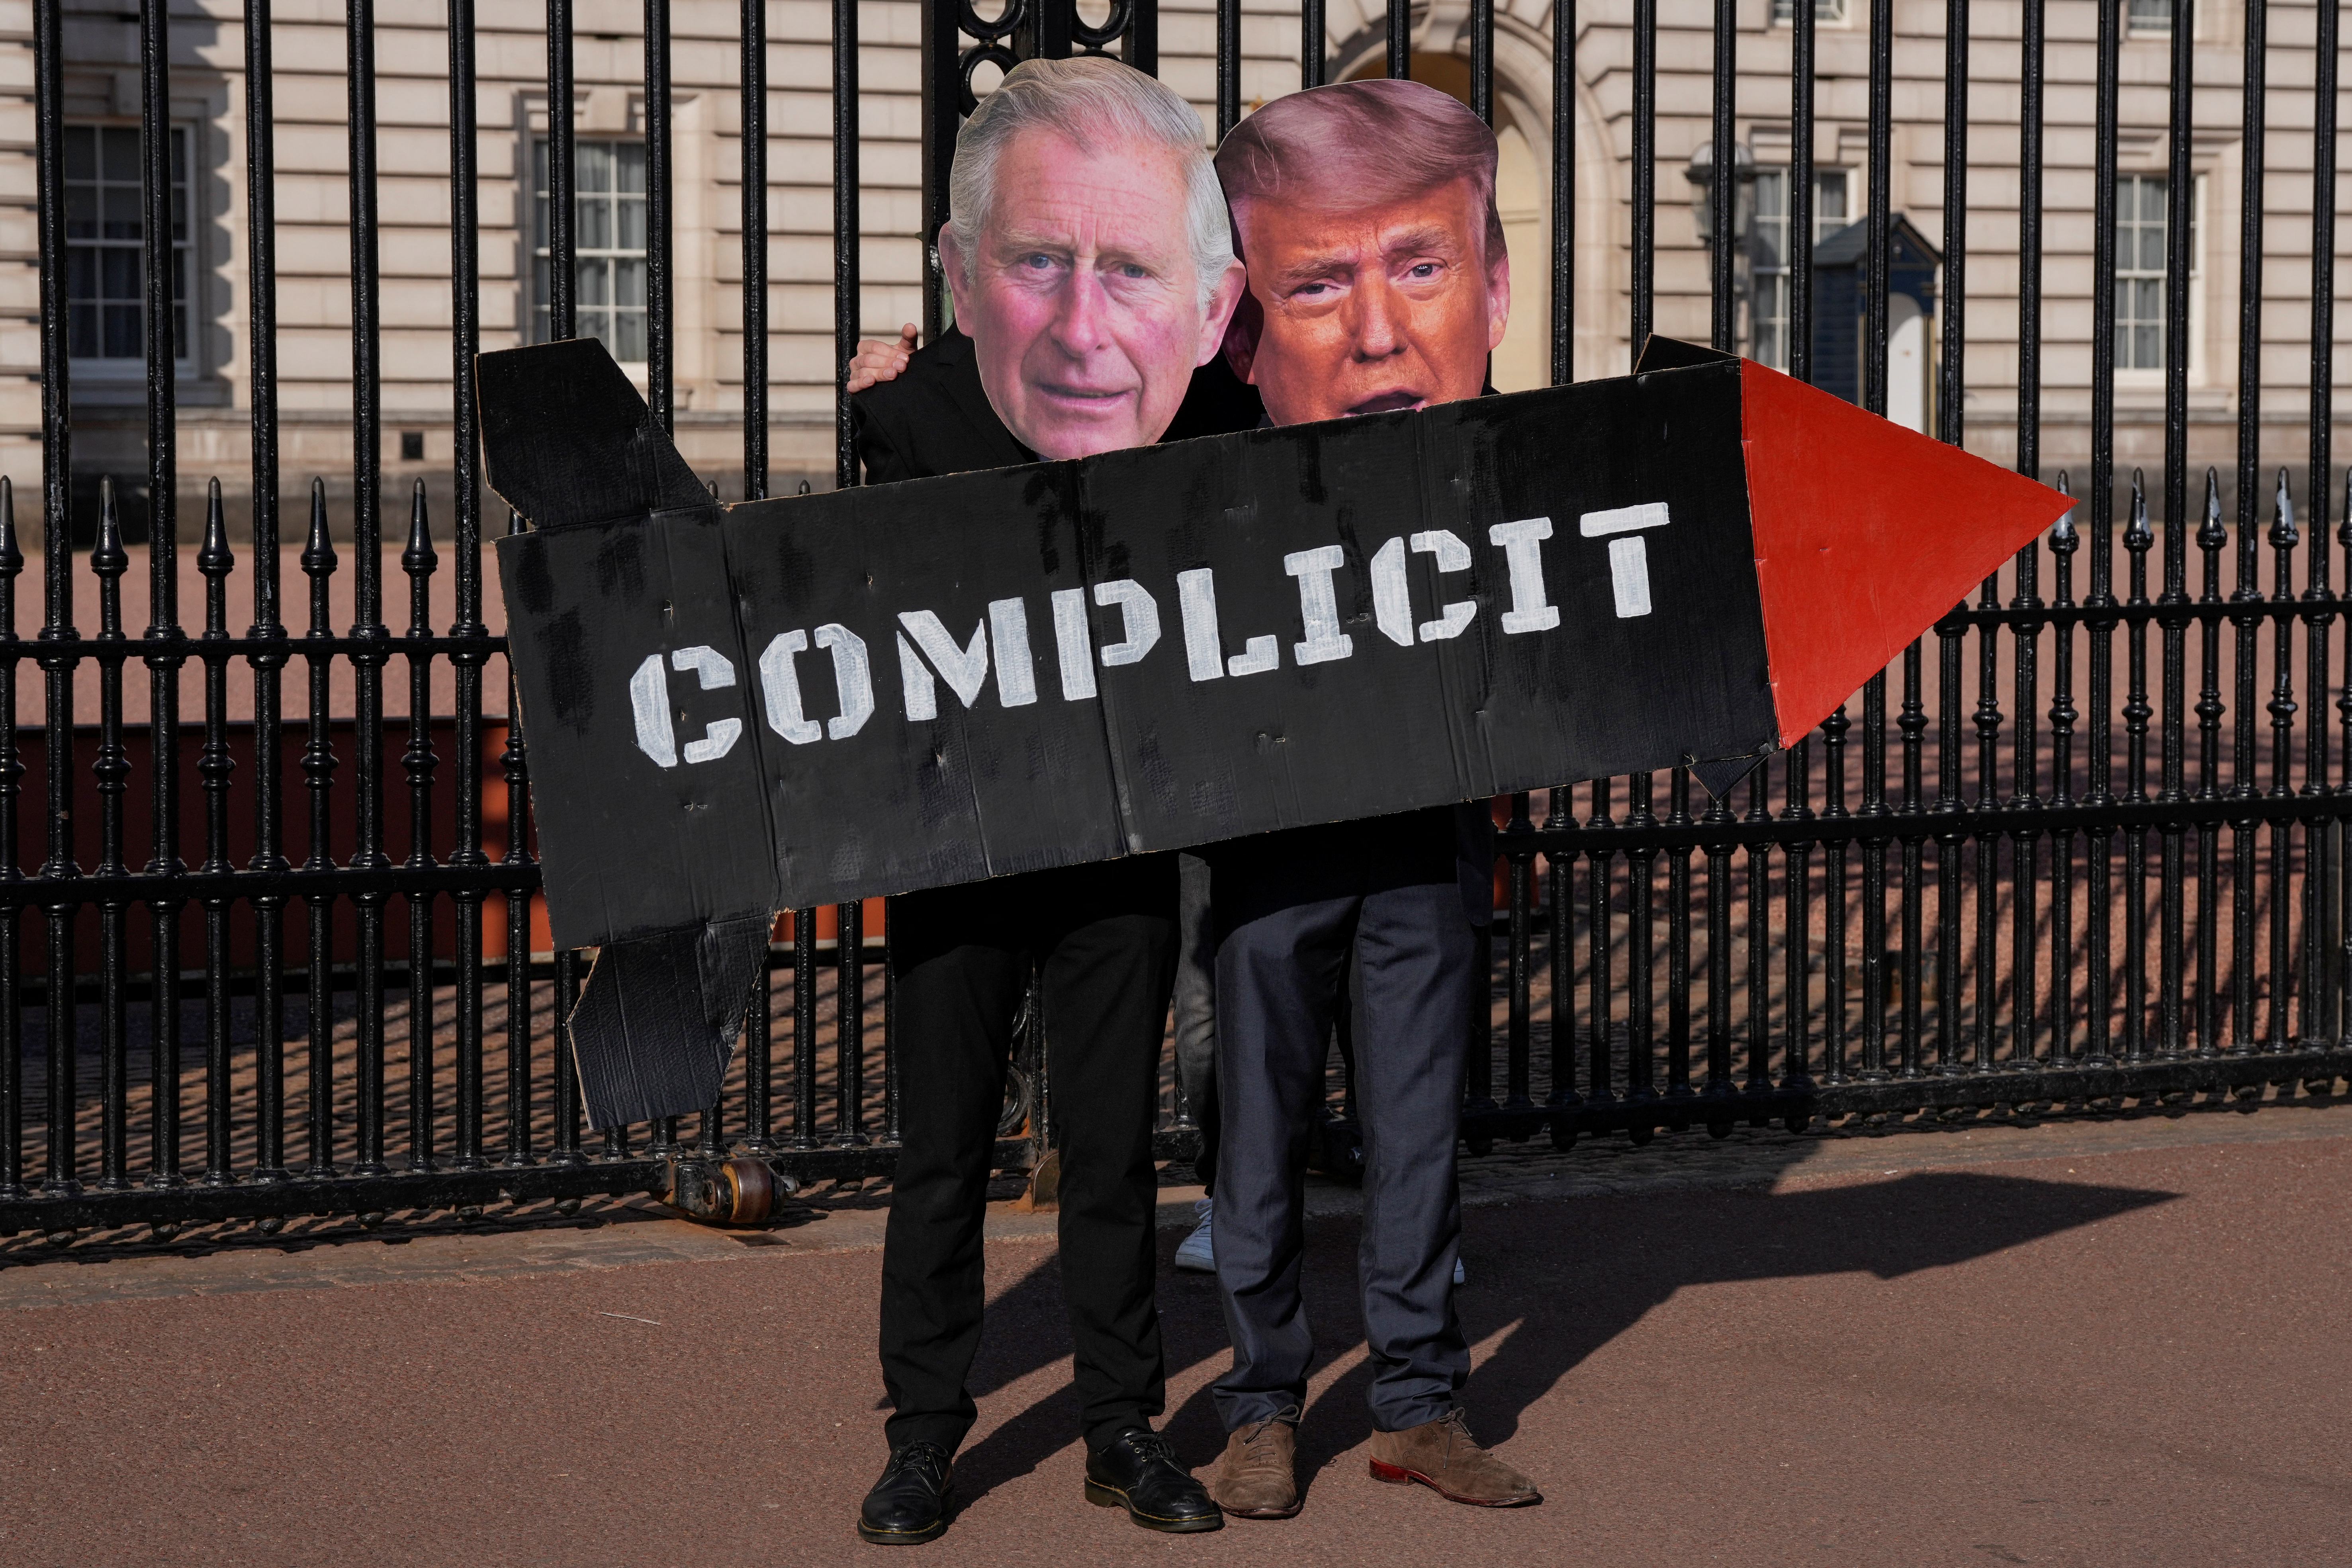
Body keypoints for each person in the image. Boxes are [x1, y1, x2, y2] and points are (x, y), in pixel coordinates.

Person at [843, 55, 1252, 1547]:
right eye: (1037, 259)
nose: (1083, 318)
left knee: (1109, 1142)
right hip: (952, 840)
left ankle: (1118, 1426)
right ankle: (923, 1438)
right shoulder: (917, 408)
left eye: (1127, 264)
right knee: (939, 1147)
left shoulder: (1205, 413)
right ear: (970, 276)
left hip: (1118, 838)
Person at [1197, 78, 1540, 1521]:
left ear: (1494, 286)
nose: (1379, 332)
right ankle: (1263, 1408)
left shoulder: (1537, 471)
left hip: (1424, 839)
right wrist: (898, 390)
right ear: (1246, 319)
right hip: (1266, 849)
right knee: (1257, 1133)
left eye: (1419, 266)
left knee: (1417, 1124)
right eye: (1318, 284)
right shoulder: (1191, 461)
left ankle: (1416, 1403)